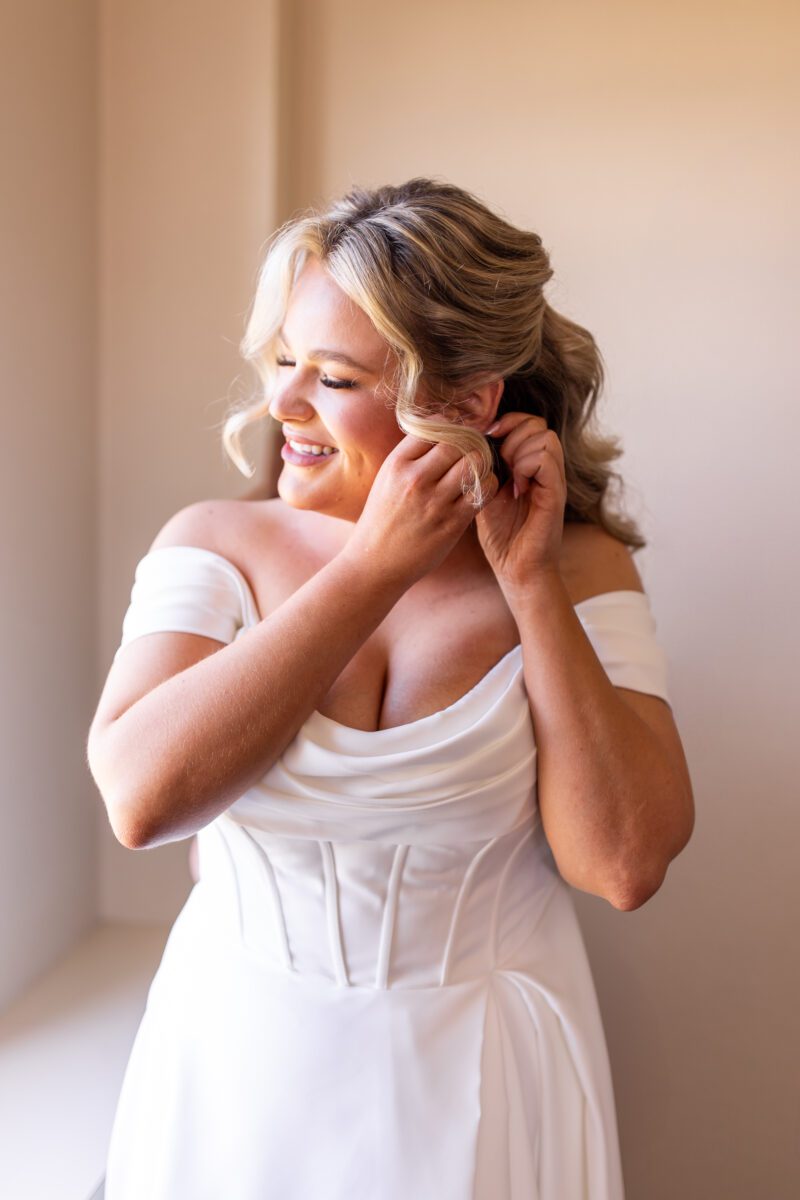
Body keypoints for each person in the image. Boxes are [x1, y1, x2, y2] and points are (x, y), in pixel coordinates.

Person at [88, 177, 694, 1199]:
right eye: (284, 361)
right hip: (237, 1064)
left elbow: (623, 864)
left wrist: (529, 581)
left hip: (485, 1079)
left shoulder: (577, 570)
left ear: (466, 404)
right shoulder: (212, 547)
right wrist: (373, 569)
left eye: (327, 377)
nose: (278, 405)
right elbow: (141, 803)